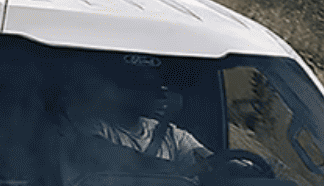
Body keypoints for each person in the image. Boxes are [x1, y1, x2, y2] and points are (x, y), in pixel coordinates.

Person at [59, 58, 212, 172]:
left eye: (163, 89)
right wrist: (181, 170)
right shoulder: (92, 127)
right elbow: (114, 158)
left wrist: (224, 164)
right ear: (119, 90)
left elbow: (211, 164)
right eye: (147, 87)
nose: (160, 95)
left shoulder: (174, 136)